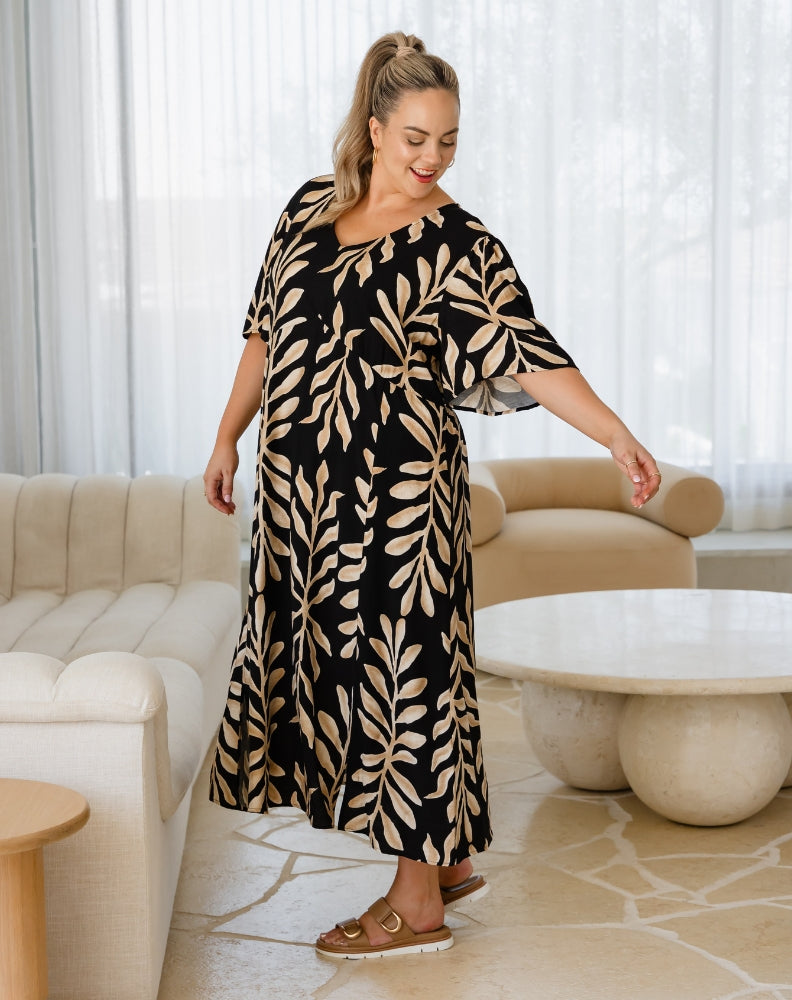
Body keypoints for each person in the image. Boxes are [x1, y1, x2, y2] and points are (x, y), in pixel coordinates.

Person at [203, 30, 661, 960]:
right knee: (334, 674)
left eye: (448, 140)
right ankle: (439, 853)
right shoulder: (303, 212)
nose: (431, 158)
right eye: (415, 136)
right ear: (373, 127)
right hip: (300, 504)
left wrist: (614, 431)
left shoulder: (459, 242)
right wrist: (226, 435)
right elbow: (263, 335)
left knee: (408, 680)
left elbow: (530, 353)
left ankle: (416, 907)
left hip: (399, 505)